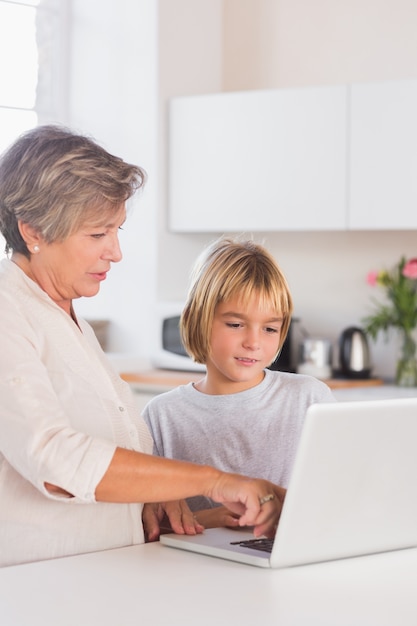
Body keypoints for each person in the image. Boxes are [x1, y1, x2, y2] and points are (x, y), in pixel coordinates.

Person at [0, 125, 284, 568]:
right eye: (97, 234)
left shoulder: (69, 320)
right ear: (32, 230)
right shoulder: (7, 311)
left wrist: (161, 497)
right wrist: (214, 481)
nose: (115, 252)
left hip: (104, 577)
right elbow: (55, 461)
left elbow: (106, 459)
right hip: (41, 582)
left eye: (117, 230)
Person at [143, 237, 336, 529]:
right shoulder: (161, 417)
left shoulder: (309, 399)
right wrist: (205, 521)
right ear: (198, 318)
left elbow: (340, 495)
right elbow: (148, 525)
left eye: (270, 328)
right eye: (235, 324)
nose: (253, 343)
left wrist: (282, 508)